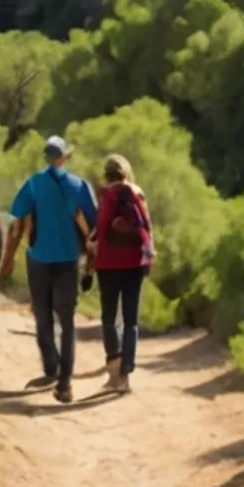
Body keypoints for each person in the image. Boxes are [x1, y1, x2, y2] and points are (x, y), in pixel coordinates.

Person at [0, 135, 100, 402]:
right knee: (66, 320)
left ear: (47, 158)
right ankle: (65, 382)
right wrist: (91, 264)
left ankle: (50, 366)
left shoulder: (33, 184)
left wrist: (7, 258)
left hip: (39, 258)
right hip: (68, 259)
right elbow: (94, 223)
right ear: (64, 157)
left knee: (42, 314)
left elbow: (17, 216)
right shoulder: (79, 185)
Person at [91, 154, 156, 392]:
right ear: (126, 172)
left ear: (106, 174)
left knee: (109, 318)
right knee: (131, 321)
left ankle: (114, 370)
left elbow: (98, 230)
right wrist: (149, 257)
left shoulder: (105, 195)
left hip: (107, 264)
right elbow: (147, 227)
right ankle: (126, 375)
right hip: (134, 263)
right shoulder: (138, 193)